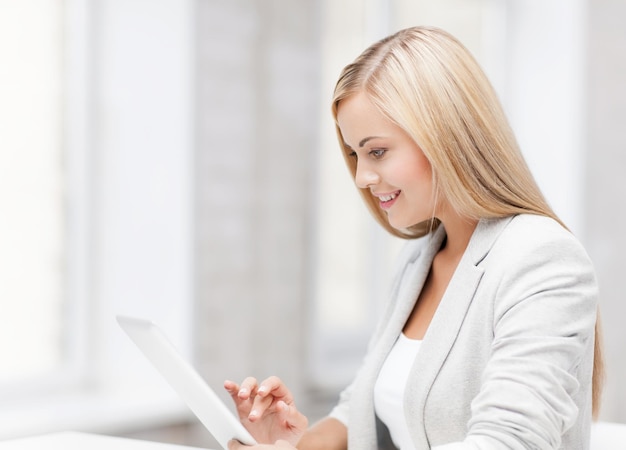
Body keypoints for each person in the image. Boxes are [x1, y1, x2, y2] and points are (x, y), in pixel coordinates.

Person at [224, 25, 603, 449]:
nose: (363, 177)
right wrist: (289, 445)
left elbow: (509, 440)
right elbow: (361, 407)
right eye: (354, 154)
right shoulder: (419, 261)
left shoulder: (541, 257)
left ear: (444, 134)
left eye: (377, 151)